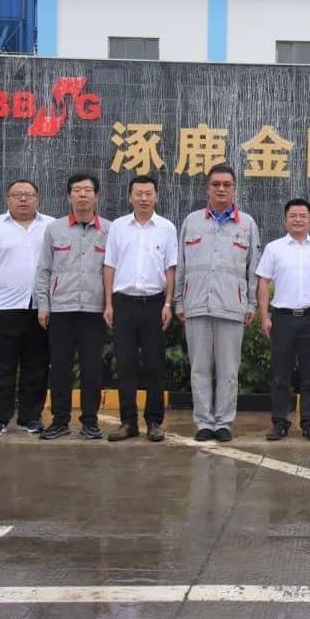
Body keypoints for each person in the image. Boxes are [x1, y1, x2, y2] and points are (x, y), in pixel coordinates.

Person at [175, 165, 261, 443]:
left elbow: (253, 268)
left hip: (232, 308)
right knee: (199, 369)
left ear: (234, 189)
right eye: (216, 184)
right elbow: (181, 264)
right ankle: (203, 423)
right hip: (197, 305)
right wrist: (179, 301)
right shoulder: (192, 222)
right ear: (208, 189)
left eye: (226, 184)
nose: (221, 189)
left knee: (228, 371)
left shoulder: (247, 224)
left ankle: (223, 422)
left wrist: (251, 303)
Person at [0, 179, 55, 438]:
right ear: (7, 199)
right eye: (17, 195)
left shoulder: (51, 226)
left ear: (37, 199)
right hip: (2, 307)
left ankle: (31, 418)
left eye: (28, 195)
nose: (23, 199)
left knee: (37, 367)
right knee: (0, 368)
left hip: (41, 308)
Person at [34, 173, 111, 441]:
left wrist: (110, 306)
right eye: (77, 190)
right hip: (61, 310)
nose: (82, 195)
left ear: (96, 196)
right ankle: (60, 421)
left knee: (92, 369)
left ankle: (90, 421)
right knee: (60, 368)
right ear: (69, 196)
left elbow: (113, 270)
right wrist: (43, 305)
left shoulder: (109, 230)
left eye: (88, 190)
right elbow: (44, 270)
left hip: (94, 311)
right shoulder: (54, 229)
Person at [103, 175, 178, 443]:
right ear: (130, 197)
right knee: (125, 365)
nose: (144, 198)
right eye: (139, 193)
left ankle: (154, 422)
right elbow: (109, 265)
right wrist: (109, 303)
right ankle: (128, 422)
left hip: (154, 304)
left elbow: (170, 269)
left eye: (148, 193)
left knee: (154, 366)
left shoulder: (167, 228)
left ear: (156, 197)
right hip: (123, 303)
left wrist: (168, 303)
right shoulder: (118, 227)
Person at [256, 199, 310, 442]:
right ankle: (280, 423)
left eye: (302, 216)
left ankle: (309, 424)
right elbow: (263, 283)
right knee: (281, 374)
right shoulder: (274, 248)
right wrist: (264, 315)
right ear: (285, 220)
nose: (298, 220)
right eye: (293, 216)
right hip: (283, 318)